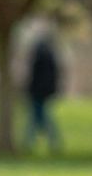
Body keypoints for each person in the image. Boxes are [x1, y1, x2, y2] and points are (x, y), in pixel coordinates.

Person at [24, 26, 64, 154]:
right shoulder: (50, 55)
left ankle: (32, 142)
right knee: (39, 118)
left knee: (38, 118)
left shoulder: (40, 55)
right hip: (45, 91)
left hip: (38, 91)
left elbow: (35, 75)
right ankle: (48, 142)